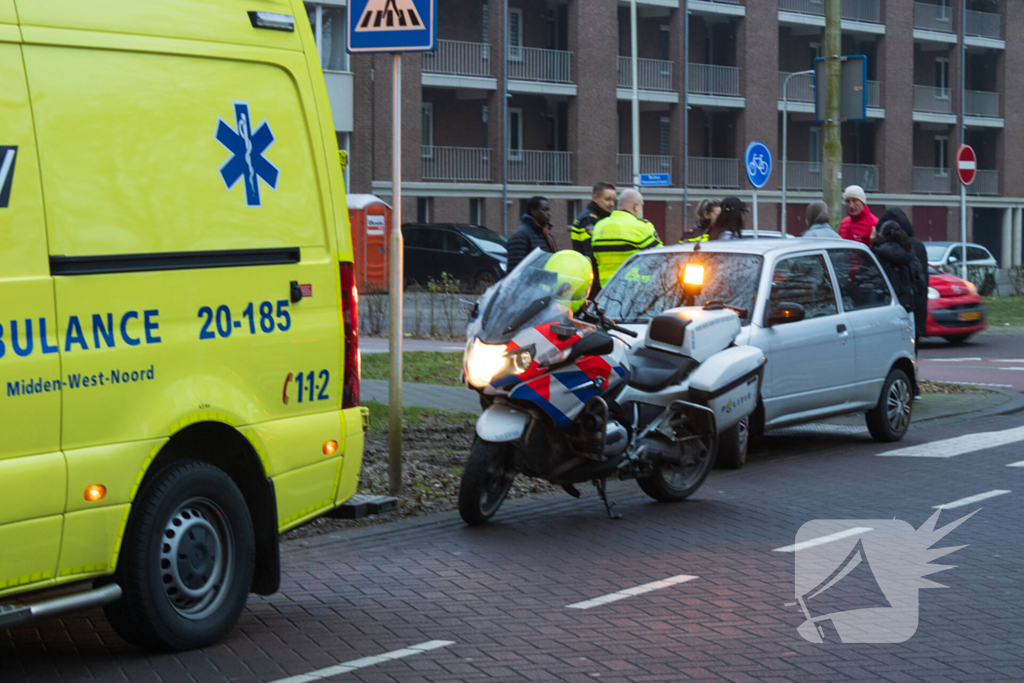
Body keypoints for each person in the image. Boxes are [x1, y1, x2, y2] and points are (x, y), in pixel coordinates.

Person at [878, 207, 928, 350]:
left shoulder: (878, 250)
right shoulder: (916, 248)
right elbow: (922, 287)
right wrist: (920, 326)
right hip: (910, 311)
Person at [592, 189, 662, 287]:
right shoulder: (642, 227)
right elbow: (661, 258)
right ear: (636, 207)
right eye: (641, 206)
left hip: (606, 290)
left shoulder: (599, 227)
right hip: (634, 290)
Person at [570, 182, 617, 296]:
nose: (611, 204)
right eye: (608, 199)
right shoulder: (588, 220)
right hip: (592, 280)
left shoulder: (599, 218)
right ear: (595, 198)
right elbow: (591, 252)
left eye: (613, 200)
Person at [873, 221, 923, 320]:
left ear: (882, 235)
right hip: (907, 307)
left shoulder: (878, 254)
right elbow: (920, 282)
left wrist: (873, 242)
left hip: (885, 308)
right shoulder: (910, 254)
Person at [506, 196, 556, 272]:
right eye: (545, 210)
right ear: (534, 212)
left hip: (545, 283)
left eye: (549, 210)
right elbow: (515, 270)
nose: (549, 213)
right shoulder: (521, 235)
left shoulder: (546, 235)